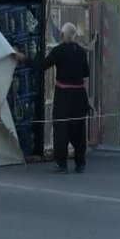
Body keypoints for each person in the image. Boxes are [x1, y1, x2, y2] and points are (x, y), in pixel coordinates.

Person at [42, 23, 92, 173]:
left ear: (63, 35)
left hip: (63, 96)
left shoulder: (58, 51)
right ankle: (80, 163)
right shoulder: (81, 51)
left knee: (61, 129)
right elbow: (86, 72)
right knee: (79, 130)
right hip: (79, 95)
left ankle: (62, 164)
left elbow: (42, 66)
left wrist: (24, 60)